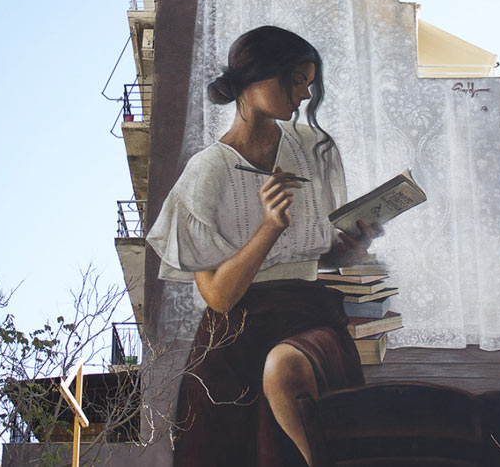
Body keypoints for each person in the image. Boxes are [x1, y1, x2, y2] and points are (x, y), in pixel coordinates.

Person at [145, 25, 382, 466]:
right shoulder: (207, 173)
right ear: (255, 79)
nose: (305, 95)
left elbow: (322, 252)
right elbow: (219, 297)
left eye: (309, 84)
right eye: (295, 80)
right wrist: (270, 226)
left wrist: (353, 247)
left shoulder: (316, 150)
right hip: (233, 335)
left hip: (309, 313)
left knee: (289, 371)